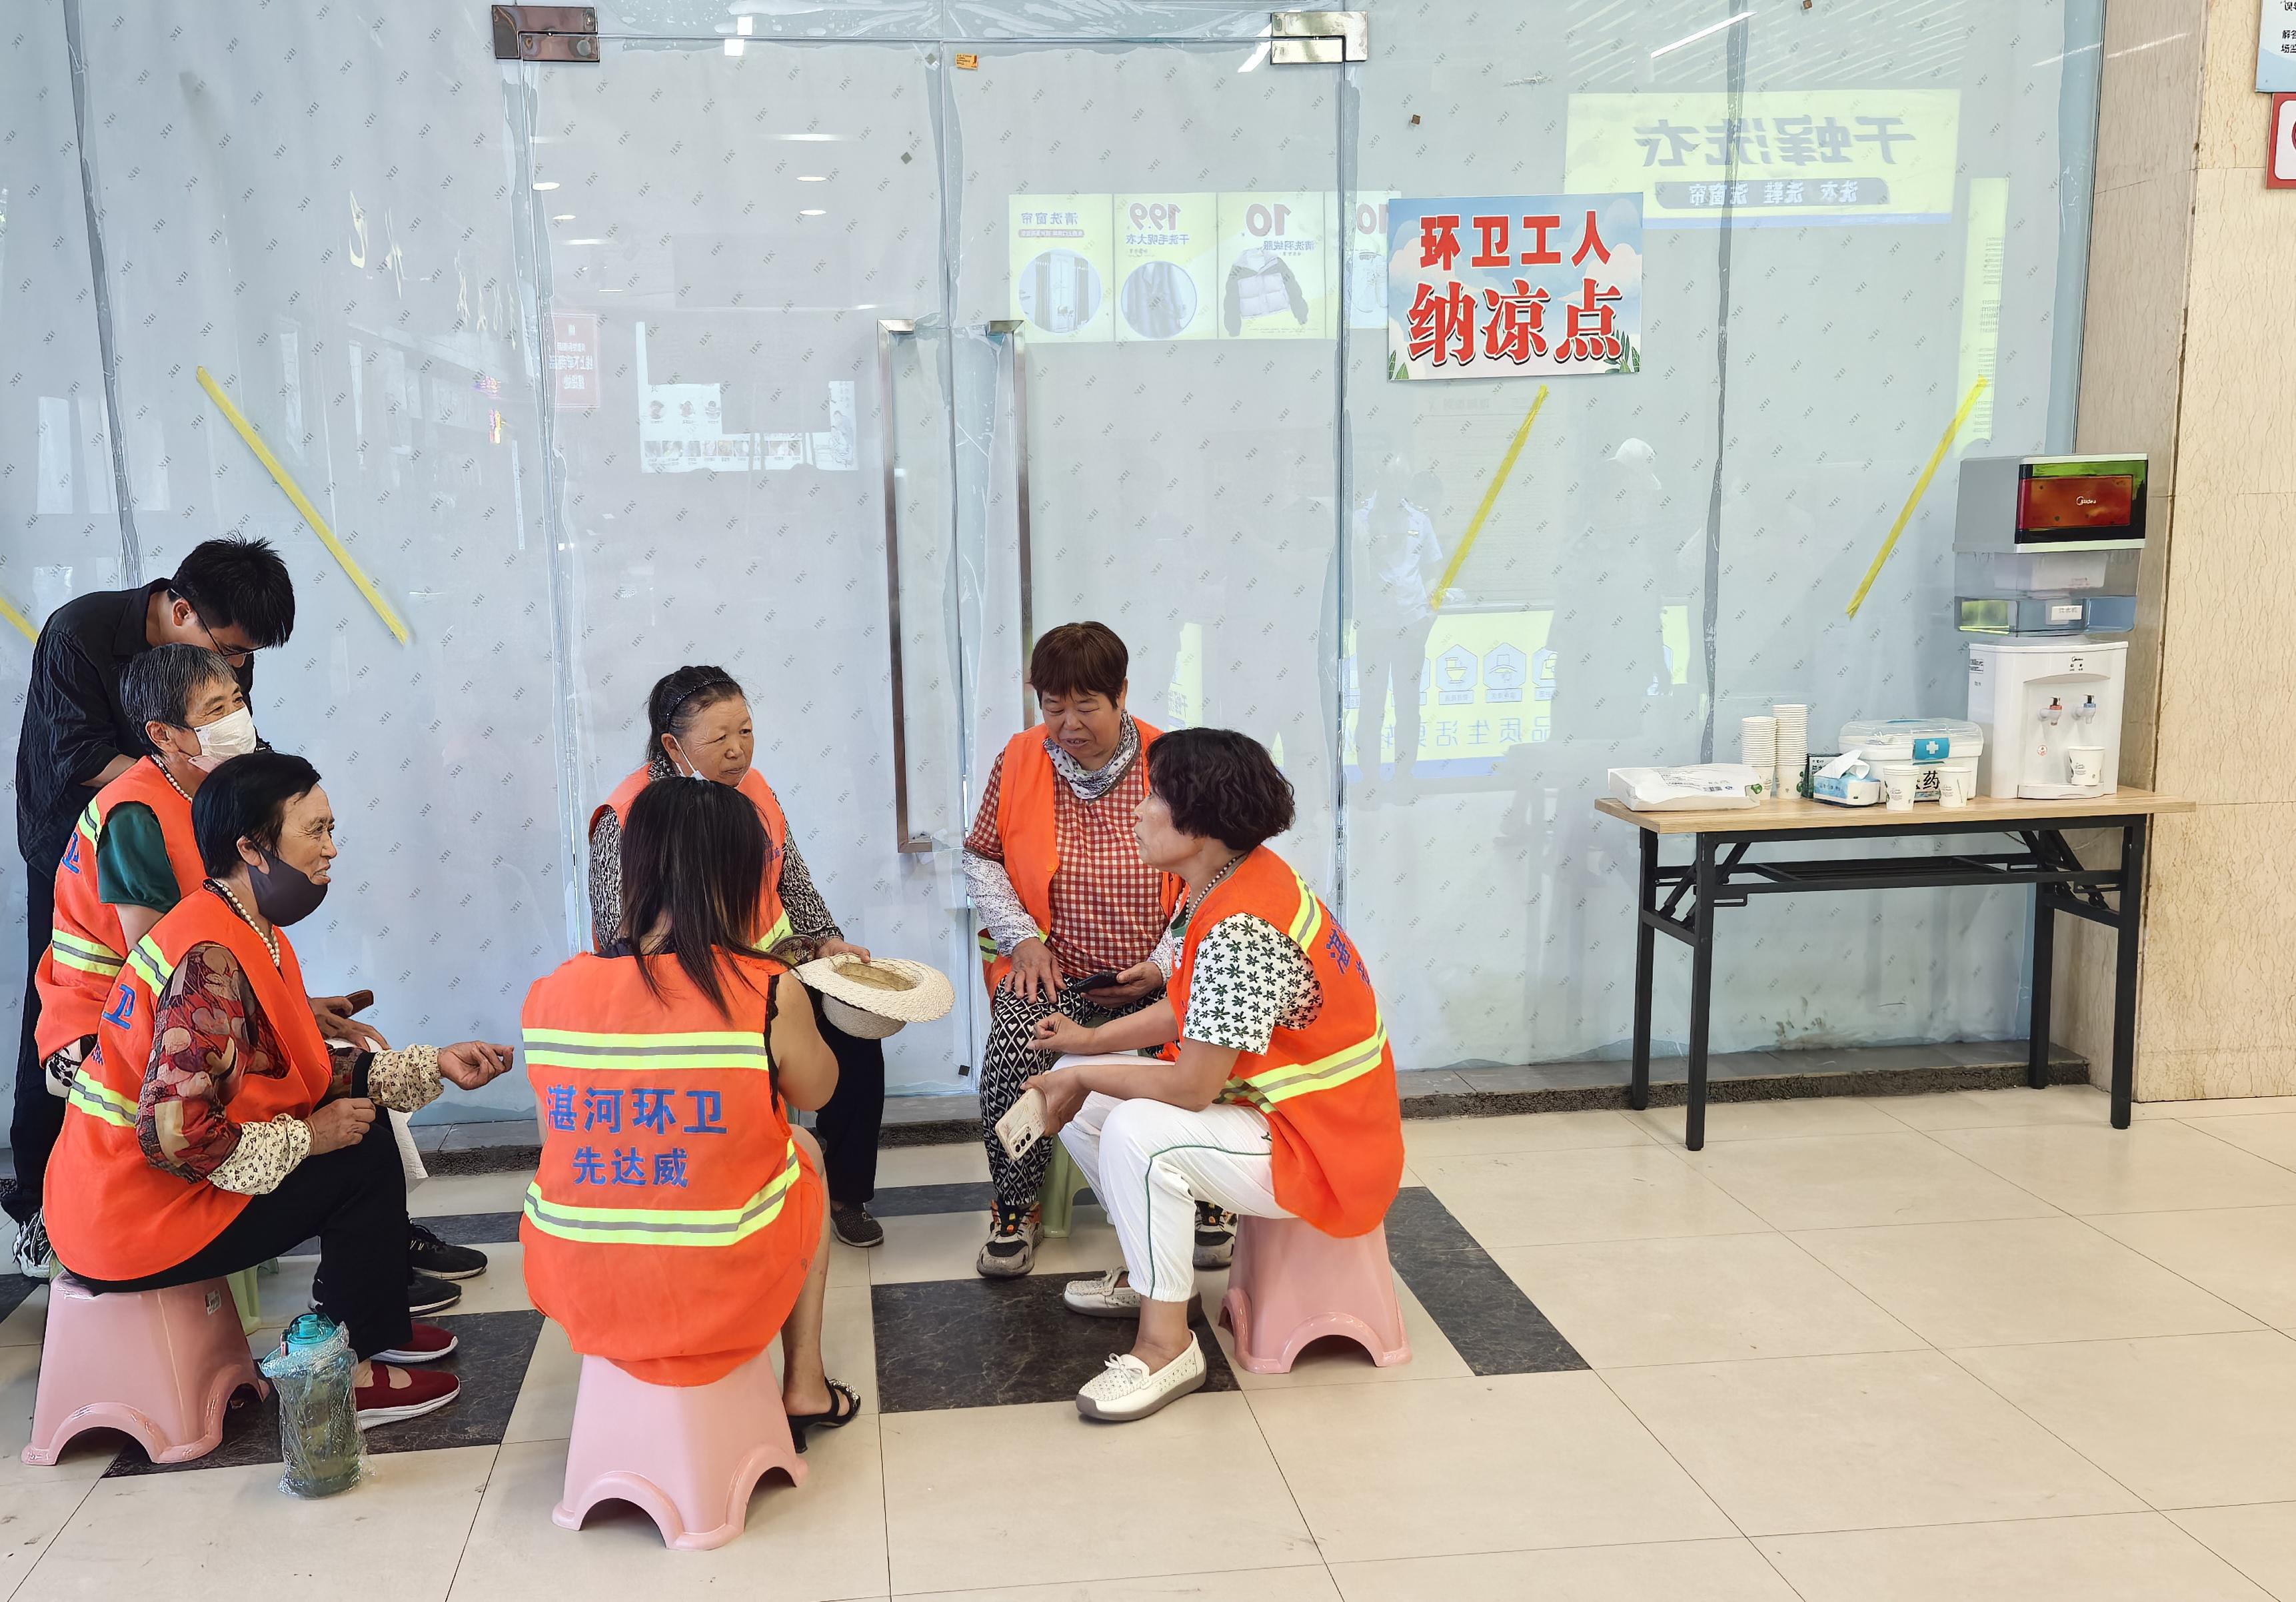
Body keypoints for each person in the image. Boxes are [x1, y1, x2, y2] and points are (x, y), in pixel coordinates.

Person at [41, 752, 517, 1428]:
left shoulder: (249, 927)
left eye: (331, 829)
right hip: (130, 1216)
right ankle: (348, 1377)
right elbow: (176, 1136)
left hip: (146, 1195)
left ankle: (373, 1325)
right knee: (353, 1158)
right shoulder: (208, 957)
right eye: (315, 831)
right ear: (251, 848)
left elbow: (302, 1072)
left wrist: (434, 1064)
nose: (331, 849)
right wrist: (308, 1138)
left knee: (361, 1125)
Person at [1027, 728, 1404, 1421]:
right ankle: (1158, 1282)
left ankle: (1166, 1346)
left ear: (1199, 823)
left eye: (1154, 797)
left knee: (1137, 1130)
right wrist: (1088, 1046)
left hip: (1326, 1150)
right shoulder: (1228, 880)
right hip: (1289, 1122)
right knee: (1085, 1081)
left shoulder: (1241, 925)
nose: (1138, 810)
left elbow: (1192, 1087)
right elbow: (1193, 1007)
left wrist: (1086, 1076)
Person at [525, 777, 861, 1443]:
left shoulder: (554, 992)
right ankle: (804, 1384)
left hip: (574, 1283)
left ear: (635, 869)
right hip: (718, 1292)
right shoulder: (766, 989)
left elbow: (555, 1139)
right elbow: (819, 1093)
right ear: (737, 879)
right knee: (805, 1151)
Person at [9, 540, 297, 1277]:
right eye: (231, 653)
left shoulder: (219, 657)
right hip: (79, 836)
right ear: (183, 611)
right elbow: (77, 756)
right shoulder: (80, 634)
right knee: (73, 1020)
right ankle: (43, 1203)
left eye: (244, 669)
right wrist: (185, 774)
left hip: (175, 822)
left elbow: (232, 747)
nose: (239, 672)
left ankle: (234, 1190)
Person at [964, 622, 1243, 1281]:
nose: (1068, 724)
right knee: (1011, 1056)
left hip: (1158, 978)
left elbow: (1216, 873)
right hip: (1054, 975)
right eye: (1052, 706)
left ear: (1121, 694)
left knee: (1200, 1052)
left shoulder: (1171, 764)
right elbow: (981, 858)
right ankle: (1016, 1205)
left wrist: (1164, 965)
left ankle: (1208, 1191)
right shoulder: (1018, 758)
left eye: (1086, 705)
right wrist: (1023, 940)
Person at [588, 666, 889, 1249]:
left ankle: (845, 1193)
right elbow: (615, 940)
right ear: (672, 744)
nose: (737, 751)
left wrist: (826, 941)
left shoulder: (755, 789)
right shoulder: (628, 815)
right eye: (719, 738)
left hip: (773, 970)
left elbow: (792, 880)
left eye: (746, 731)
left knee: (857, 1033)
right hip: (680, 989)